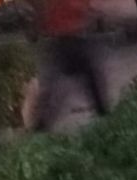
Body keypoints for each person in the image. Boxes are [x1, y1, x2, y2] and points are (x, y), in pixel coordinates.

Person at [31, 0, 108, 131]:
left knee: (58, 85)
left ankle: (41, 126)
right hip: (68, 38)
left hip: (64, 38)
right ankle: (103, 116)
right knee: (89, 80)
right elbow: (76, 9)